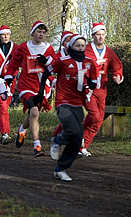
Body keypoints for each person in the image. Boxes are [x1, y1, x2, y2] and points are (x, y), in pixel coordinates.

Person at [42, 34, 98, 181]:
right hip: (63, 102)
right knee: (72, 130)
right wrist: (40, 92)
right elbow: (47, 71)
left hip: (78, 104)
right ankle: (57, 141)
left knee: (77, 138)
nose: (80, 48)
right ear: (70, 46)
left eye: (82, 46)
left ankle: (60, 169)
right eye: (77, 45)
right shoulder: (63, 61)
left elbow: (93, 80)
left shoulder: (89, 63)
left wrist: (91, 84)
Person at [5, 21, 56, 157]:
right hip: (26, 85)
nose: (41, 34)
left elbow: (55, 65)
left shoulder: (48, 48)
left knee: (32, 114)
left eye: (44, 32)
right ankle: (37, 145)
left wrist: (48, 62)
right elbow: (14, 63)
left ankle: (22, 130)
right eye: (39, 32)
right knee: (34, 113)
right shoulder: (23, 47)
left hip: (41, 86)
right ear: (32, 32)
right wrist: (9, 76)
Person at [80, 22, 123, 157]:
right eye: (98, 35)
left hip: (101, 89)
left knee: (98, 120)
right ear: (93, 35)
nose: (100, 37)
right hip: (87, 88)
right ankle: (79, 137)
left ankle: (83, 146)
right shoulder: (86, 50)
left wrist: (117, 76)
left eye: (102, 35)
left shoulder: (109, 52)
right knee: (94, 115)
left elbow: (116, 66)